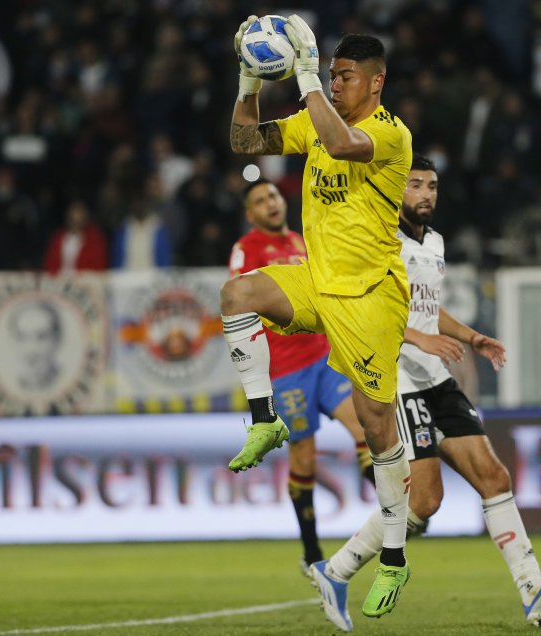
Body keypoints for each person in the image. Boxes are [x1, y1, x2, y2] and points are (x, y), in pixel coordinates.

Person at [308, 154, 541, 632]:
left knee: (495, 477)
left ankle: (534, 591)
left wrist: (472, 337)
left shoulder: (434, 242)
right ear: (396, 192)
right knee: (423, 503)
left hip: (435, 377)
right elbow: (365, 313)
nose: (424, 194)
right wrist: (419, 339)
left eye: (432, 186)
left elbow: (427, 309)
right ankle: (335, 571)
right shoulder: (378, 242)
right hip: (396, 380)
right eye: (414, 185)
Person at [222, 16, 413, 618]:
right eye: (331, 75)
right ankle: (263, 419)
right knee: (236, 296)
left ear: (376, 83)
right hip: (317, 282)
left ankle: (394, 558)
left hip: (370, 297)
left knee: (378, 429)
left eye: (346, 77)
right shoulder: (316, 120)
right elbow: (245, 143)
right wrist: (249, 82)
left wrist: (303, 77)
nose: (335, 85)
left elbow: (340, 143)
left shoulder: (390, 135)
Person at [229, 178, 376, 571]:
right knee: (305, 457)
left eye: (273, 195)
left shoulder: (301, 239)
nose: (271, 203)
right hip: (287, 370)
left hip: (325, 356)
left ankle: (398, 513)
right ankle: (312, 554)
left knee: (364, 428)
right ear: (251, 214)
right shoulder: (248, 251)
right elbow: (240, 299)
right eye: (260, 201)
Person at [9, 300, 62, 392]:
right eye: (22, 337)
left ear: (56, 341)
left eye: (41, 337)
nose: (31, 349)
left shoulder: (63, 381)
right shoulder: (12, 385)